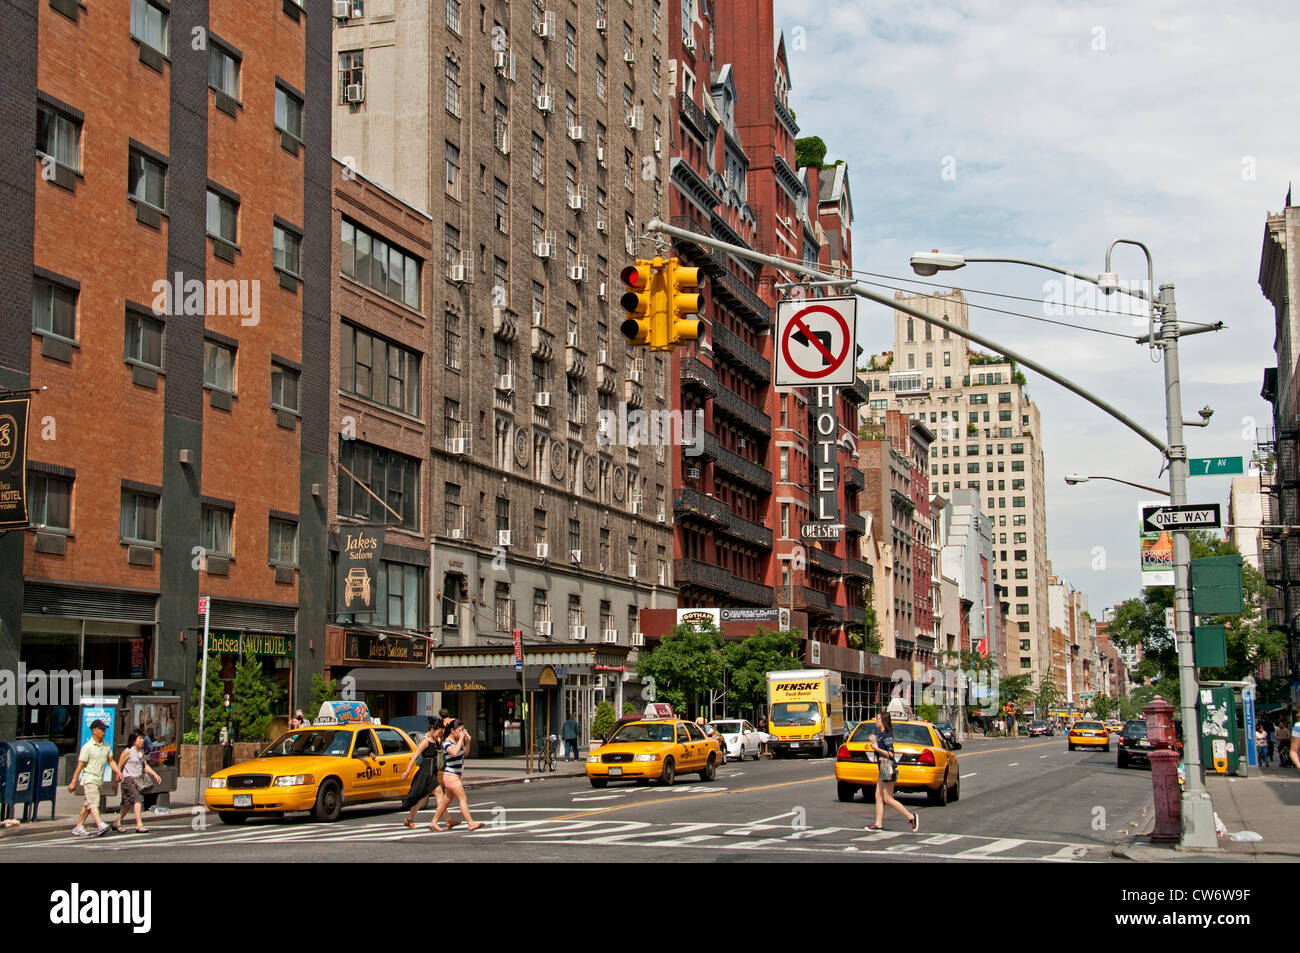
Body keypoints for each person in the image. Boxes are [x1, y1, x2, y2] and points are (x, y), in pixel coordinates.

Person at [864, 712, 917, 833]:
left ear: (883, 721)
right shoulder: (881, 736)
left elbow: (891, 753)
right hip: (883, 767)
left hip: (888, 767)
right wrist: (874, 747)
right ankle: (878, 824)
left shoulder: (887, 736)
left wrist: (877, 749)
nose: (876, 721)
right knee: (878, 796)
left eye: (878, 719)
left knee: (887, 799)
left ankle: (911, 817)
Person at [69, 720, 123, 837]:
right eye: (101, 730)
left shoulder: (106, 746)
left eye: (104, 730)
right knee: (93, 802)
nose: (104, 732)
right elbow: (80, 766)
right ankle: (100, 824)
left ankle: (78, 826)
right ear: (94, 731)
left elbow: (111, 761)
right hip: (89, 779)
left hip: (98, 779)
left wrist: (117, 771)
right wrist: (73, 782)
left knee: (88, 804)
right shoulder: (87, 747)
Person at [430, 720, 484, 832]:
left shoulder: (456, 741)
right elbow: (454, 752)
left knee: (445, 800)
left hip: (456, 775)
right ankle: (471, 823)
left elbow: (465, 753)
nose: (461, 732)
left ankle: (434, 822)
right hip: (451, 775)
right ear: (452, 730)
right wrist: (460, 740)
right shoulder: (447, 743)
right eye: (460, 730)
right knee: (463, 798)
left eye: (463, 730)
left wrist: (467, 742)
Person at [112, 731, 163, 833]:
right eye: (140, 738)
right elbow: (119, 767)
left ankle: (117, 822)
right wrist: (116, 782)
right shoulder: (128, 751)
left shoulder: (141, 752)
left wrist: (155, 775)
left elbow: (145, 766)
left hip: (138, 779)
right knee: (138, 800)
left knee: (127, 803)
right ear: (134, 740)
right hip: (128, 779)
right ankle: (139, 825)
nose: (142, 740)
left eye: (143, 738)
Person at [398, 722, 445, 828]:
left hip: (432, 771)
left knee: (422, 798)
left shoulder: (435, 740)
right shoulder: (425, 741)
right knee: (439, 794)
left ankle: (409, 819)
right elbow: (414, 756)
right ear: (432, 730)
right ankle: (436, 822)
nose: (439, 734)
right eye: (438, 732)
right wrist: (407, 771)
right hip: (426, 772)